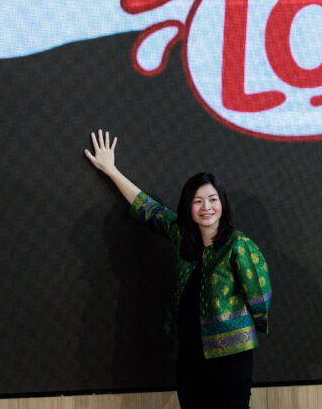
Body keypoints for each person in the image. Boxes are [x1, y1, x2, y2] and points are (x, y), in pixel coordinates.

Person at [84, 129, 271, 409]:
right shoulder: (184, 238)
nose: (206, 207)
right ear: (189, 207)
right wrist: (111, 170)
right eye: (198, 201)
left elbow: (260, 295)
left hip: (230, 359)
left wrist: (240, 327)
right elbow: (149, 209)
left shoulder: (238, 245)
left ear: (222, 204)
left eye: (212, 199)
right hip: (189, 356)